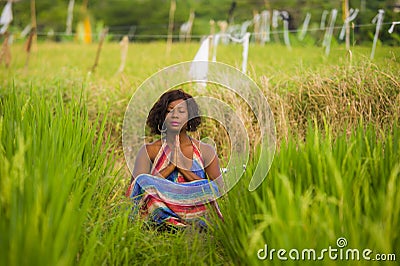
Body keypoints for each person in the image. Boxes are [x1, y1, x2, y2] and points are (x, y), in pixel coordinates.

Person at [126, 89, 223, 230]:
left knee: (211, 187)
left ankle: (189, 225)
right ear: (162, 116)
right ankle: (169, 224)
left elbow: (219, 191)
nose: (175, 116)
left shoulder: (205, 150)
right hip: (160, 206)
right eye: (170, 111)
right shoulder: (150, 150)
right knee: (142, 180)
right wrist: (170, 167)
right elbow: (136, 190)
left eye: (181, 112)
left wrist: (183, 169)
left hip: (194, 207)